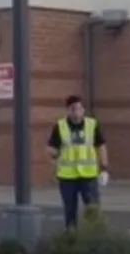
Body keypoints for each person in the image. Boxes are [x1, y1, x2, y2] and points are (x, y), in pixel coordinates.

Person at [47, 95, 109, 228]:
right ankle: (71, 235)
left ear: (83, 110)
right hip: (67, 176)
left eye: (79, 109)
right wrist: (53, 163)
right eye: (73, 109)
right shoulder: (60, 126)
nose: (76, 112)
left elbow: (101, 145)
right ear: (67, 110)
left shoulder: (92, 124)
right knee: (70, 210)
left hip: (88, 175)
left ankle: (95, 234)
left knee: (92, 208)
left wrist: (104, 168)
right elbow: (52, 148)